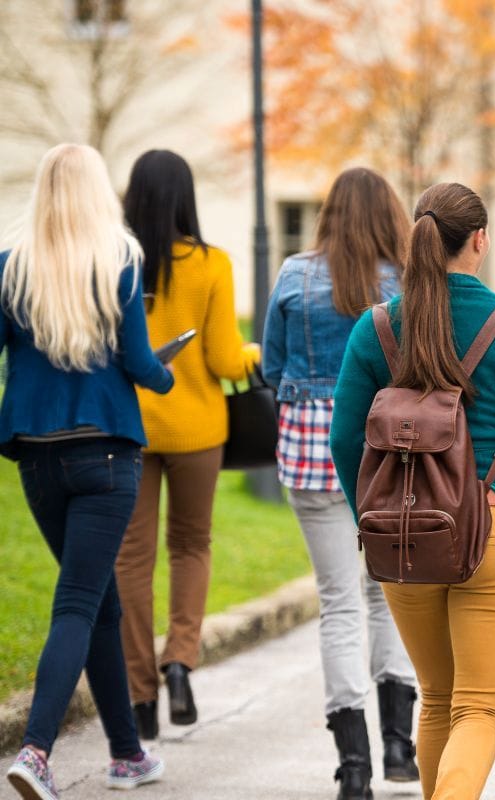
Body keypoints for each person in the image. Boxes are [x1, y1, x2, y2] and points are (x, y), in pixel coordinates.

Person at [330, 182, 495, 800]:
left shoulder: (375, 328)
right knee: (478, 709)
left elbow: (344, 441)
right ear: (479, 240)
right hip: (494, 524)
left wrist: (372, 519)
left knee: (437, 700)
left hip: (403, 536)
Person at [1, 143, 169, 797]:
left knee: (98, 600)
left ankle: (127, 755)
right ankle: (36, 754)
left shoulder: (12, 270)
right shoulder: (119, 264)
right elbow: (136, 362)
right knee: (79, 600)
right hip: (106, 454)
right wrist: (164, 371)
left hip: (38, 458)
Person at [262, 167, 421, 799]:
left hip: (310, 455)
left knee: (338, 603)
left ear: (329, 213)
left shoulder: (293, 275)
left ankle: (353, 766)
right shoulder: (406, 284)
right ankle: (399, 748)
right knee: (389, 595)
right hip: (386, 457)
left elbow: (273, 367)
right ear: (389, 216)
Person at [113, 150, 260, 742]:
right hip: (198, 431)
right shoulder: (212, 264)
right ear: (186, 197)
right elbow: (227, 359)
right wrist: (254, 355)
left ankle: (140, 696)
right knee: (192, 546)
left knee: (130, 558)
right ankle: (179, 663)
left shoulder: (113, 262)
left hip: (129, 428)